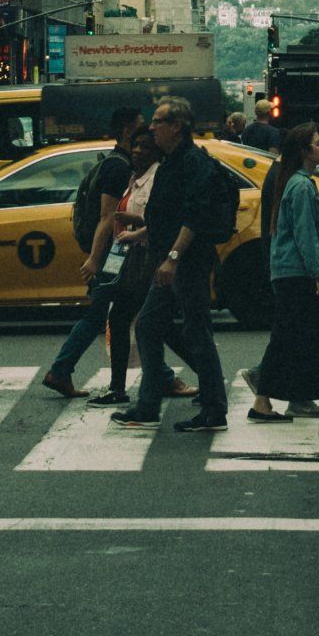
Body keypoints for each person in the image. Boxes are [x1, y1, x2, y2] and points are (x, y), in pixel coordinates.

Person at [112, 97, 230, 435]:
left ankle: (212, 408)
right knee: (151, 325)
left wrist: (173, 258)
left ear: (176, 126)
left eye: (158, 121)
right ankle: (150, 404)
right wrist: (142, 234)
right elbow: (170, 216)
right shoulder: (171, 163)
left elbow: (194, 217)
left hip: (185, 262)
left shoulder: (193, 163)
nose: (151, 127)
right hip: (168, 259)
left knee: (195, 330)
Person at [88, 125, 194, 408]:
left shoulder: (158, 177)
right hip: (131, 260)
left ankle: (200, 380)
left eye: (145, 146)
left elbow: (161, 221)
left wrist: (134, 225)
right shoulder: (135, 178)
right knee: (131, 322)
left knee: (156, 326)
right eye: (135, 145)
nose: (137, 151)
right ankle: (120, 389)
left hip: (150, 261)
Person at [39, 108, 141, 398]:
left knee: (107, 314)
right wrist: (96, 258)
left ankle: (61, 370)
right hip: (115, 253)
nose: (145, 133)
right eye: (140, 127)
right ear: (125, 132)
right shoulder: (118, 167)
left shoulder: (118, 163)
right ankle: (60, 370)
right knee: (132, 314)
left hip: (114, 252)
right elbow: (108, 216)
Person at [248, 123, 319, 422]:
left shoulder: (296, 181)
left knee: (299, 335)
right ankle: (263, 398)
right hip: (296, 272)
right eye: (318, 142)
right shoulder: (301, 185)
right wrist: (318, 273)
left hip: (288, 271)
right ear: (304, 150)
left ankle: (298, 398)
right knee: (300, 335)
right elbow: (305, 234)